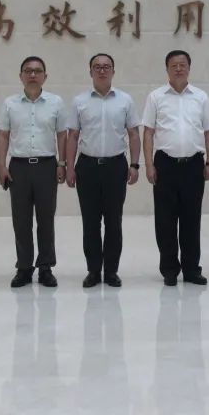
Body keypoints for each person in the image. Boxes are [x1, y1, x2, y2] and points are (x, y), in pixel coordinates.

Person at [65, 53, 141, 288]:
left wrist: (135, 164)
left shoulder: (125, 100)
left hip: (116, 166)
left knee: (113, 222)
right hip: (87, 167)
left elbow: (134, 134)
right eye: (97, 67)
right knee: (90, 222)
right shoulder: (79, 101)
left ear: (113, 71)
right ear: (90, 72)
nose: (102, 70)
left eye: (106, 66)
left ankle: (111, 271)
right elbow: (73, 136)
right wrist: (69, 167)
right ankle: (93, 271)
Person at [142, 50, 209, 286]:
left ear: (189, 68)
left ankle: (192, 269)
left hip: (193, 165)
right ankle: (169, 270)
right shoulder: (156, 97)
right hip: (165, 164)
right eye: (173, 65)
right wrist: (149, 165)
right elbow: (148, 133)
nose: (178, 69)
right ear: (167, 69)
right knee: (165, 220)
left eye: (182, 64)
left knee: (191, 219)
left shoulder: (201, 97)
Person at [0, 56, 68, 289]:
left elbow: (62, 135)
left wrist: (62, 163)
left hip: (47, 166)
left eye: (38, 71)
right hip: (18, 167)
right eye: (28, 71)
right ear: (21, 76)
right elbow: (3, 136)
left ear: (45, 76)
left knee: (46, 219)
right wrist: (2, 166)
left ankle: (45, 267)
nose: (33, 75)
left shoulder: (56, 102)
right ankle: (24, 268)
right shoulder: (10, 104)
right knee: (21, 220)